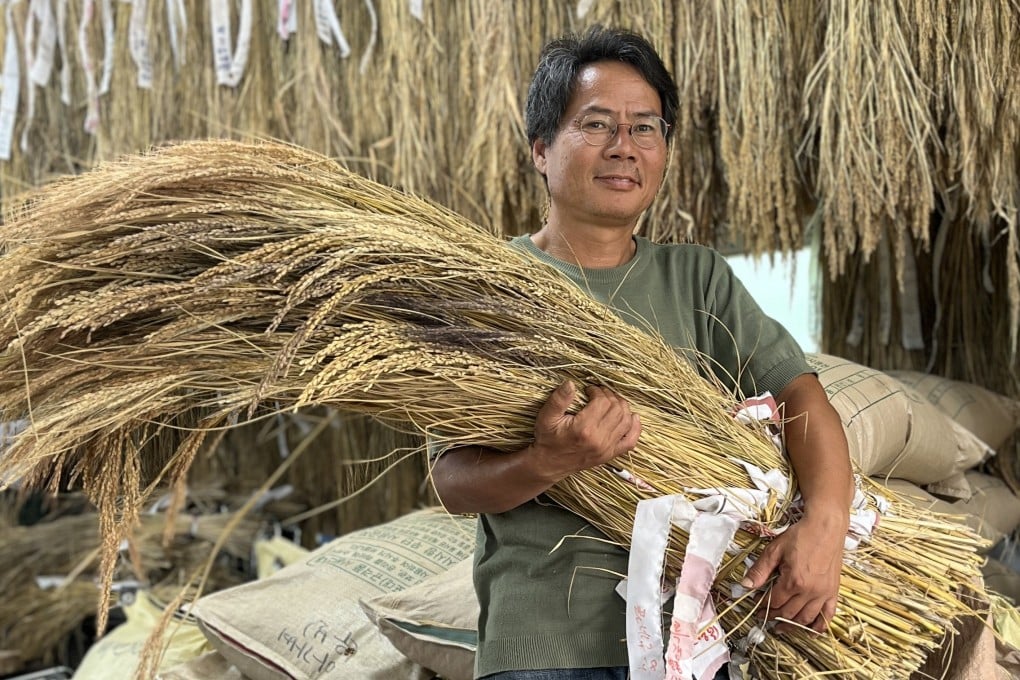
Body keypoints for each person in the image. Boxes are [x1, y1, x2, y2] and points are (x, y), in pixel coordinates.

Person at [430, 24, 853, 680]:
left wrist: (826, 523)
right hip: (547, 648)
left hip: (690, 636)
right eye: (596, 124)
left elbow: (801, 395)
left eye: (645, 128)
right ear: (541, 149)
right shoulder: (491, 289)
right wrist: (549, 461)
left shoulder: (697, 279)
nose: (623, 147)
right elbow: (450, 481)